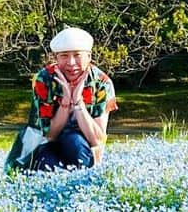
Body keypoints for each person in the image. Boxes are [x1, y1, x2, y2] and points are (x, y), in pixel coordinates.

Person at [11, 27, 117, 172]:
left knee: (74, 143)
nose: (71, 63)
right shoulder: (44, 79)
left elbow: (97, 140)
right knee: (45, 164)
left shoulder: (102, 83)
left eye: (77, 55)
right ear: (56, 58)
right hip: (45, 142)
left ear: (89, 57)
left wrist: (78, 102)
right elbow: (50, 135)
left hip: (82, 145)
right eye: (64, 56)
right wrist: (66, 102)